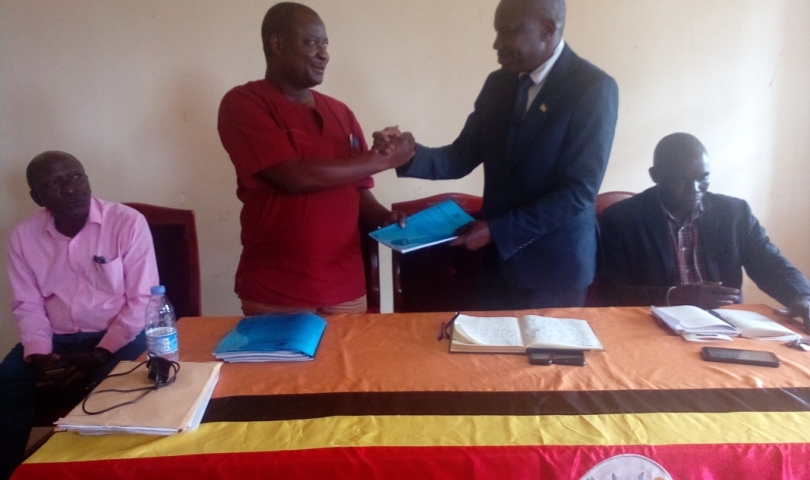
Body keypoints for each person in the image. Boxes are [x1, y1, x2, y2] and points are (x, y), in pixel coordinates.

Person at [374, 0, 619, 310]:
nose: (496, 44)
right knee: (489, 344)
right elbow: (460, 156)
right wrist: (405, 154)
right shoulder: (498, 85)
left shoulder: (592, 88)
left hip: (554, 268)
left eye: (508, 32)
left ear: (546, 30)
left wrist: (497, 231)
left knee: (542, 345)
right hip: (497, 263)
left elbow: (578, 192)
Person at [217, 2, 415, 316]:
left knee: (353, 353)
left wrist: (383, 217)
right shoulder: (244, 103)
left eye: (325, 44)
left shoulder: (341, 112)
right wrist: (382, 161)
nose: (324, 55)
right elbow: (294, 177)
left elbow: (357, 188)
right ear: (277, 44)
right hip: (277, 292)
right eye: (311, 43)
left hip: (346, 286)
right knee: (281, 354)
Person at [0, 151, 159, 479]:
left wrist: (101, 352)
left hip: (120, 336)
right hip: (55, 339)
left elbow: (142, 300)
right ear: (36, 197)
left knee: (115, 392)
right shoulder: (23, 236)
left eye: (76, 177)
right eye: (54, 183)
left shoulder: (126, 222)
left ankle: (103, 471)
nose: (71, 188)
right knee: (7, 383)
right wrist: (41, 355)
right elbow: (28, 305)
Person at [599, 133, 810, 330]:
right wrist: (673, 296)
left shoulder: (734, 214)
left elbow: (769, 264)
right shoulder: (623, 218)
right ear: (655, 176)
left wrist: (801, 296)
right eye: (680, 180)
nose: (695, 189)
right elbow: (611, 291)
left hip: (724, 325)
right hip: (652, 326)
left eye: (703, 177)